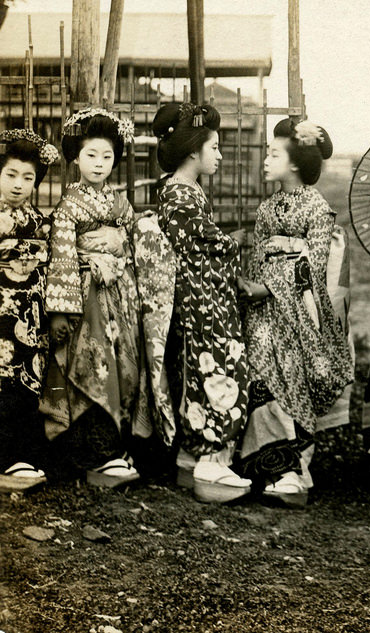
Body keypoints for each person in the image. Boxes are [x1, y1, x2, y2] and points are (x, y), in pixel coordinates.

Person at [236, 119, 354, 507]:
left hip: (297, 310)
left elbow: (315, 267)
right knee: (260, 373)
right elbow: (257, 256)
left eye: (274, 154)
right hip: (263, 311)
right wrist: (254, 288)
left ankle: (294, 471)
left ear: (296, 164)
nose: (266, 161)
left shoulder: (318, 209)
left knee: (291, 377)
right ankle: (269, 467)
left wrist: (269, 286)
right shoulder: (267, 207)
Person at [39, 108, 143, 488]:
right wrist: (61, 312)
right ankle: (93, 454)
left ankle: (115, 447)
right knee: (94, 366)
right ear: (76, 158)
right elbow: (62, 256)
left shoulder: (120, 205)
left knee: (123, 368)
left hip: (118, 298)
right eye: (91, 155)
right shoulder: (69, 206)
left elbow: (132, 244)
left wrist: (120, 242)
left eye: (107, 156)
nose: (99, 164)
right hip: (85, 299)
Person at [152, 102, 251, 503]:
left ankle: (190, 460)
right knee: (220, 370)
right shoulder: (179, 194)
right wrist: (235, 242)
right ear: (194, 150)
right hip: (202, 302)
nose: (220, 154)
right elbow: (202, 247)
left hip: (199, 298)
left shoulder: (183, 191)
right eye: (215, 146)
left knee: (198, 371)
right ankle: (211, 460)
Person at [0, 129, 59, 492]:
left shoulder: (41, 222)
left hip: (32, 309)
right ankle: (7, 458)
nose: (19, 185)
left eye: (28, 178)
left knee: (28, 376)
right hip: (1, 307)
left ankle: (21, 454)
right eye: (11, 175)